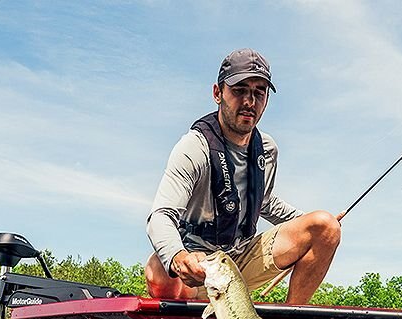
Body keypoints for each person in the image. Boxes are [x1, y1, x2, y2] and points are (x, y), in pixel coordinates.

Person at [145, 48, 341, 304]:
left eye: (259, 93)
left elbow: (265, 202)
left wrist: (308, 222)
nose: (250, 102)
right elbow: (160, 215)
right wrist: (180, 258)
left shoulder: (267, 149)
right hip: (200, 264)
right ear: (218, 93)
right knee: (158, 270)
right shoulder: (194, 147)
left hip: (242, 257)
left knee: (325, 226)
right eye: (239, 90)